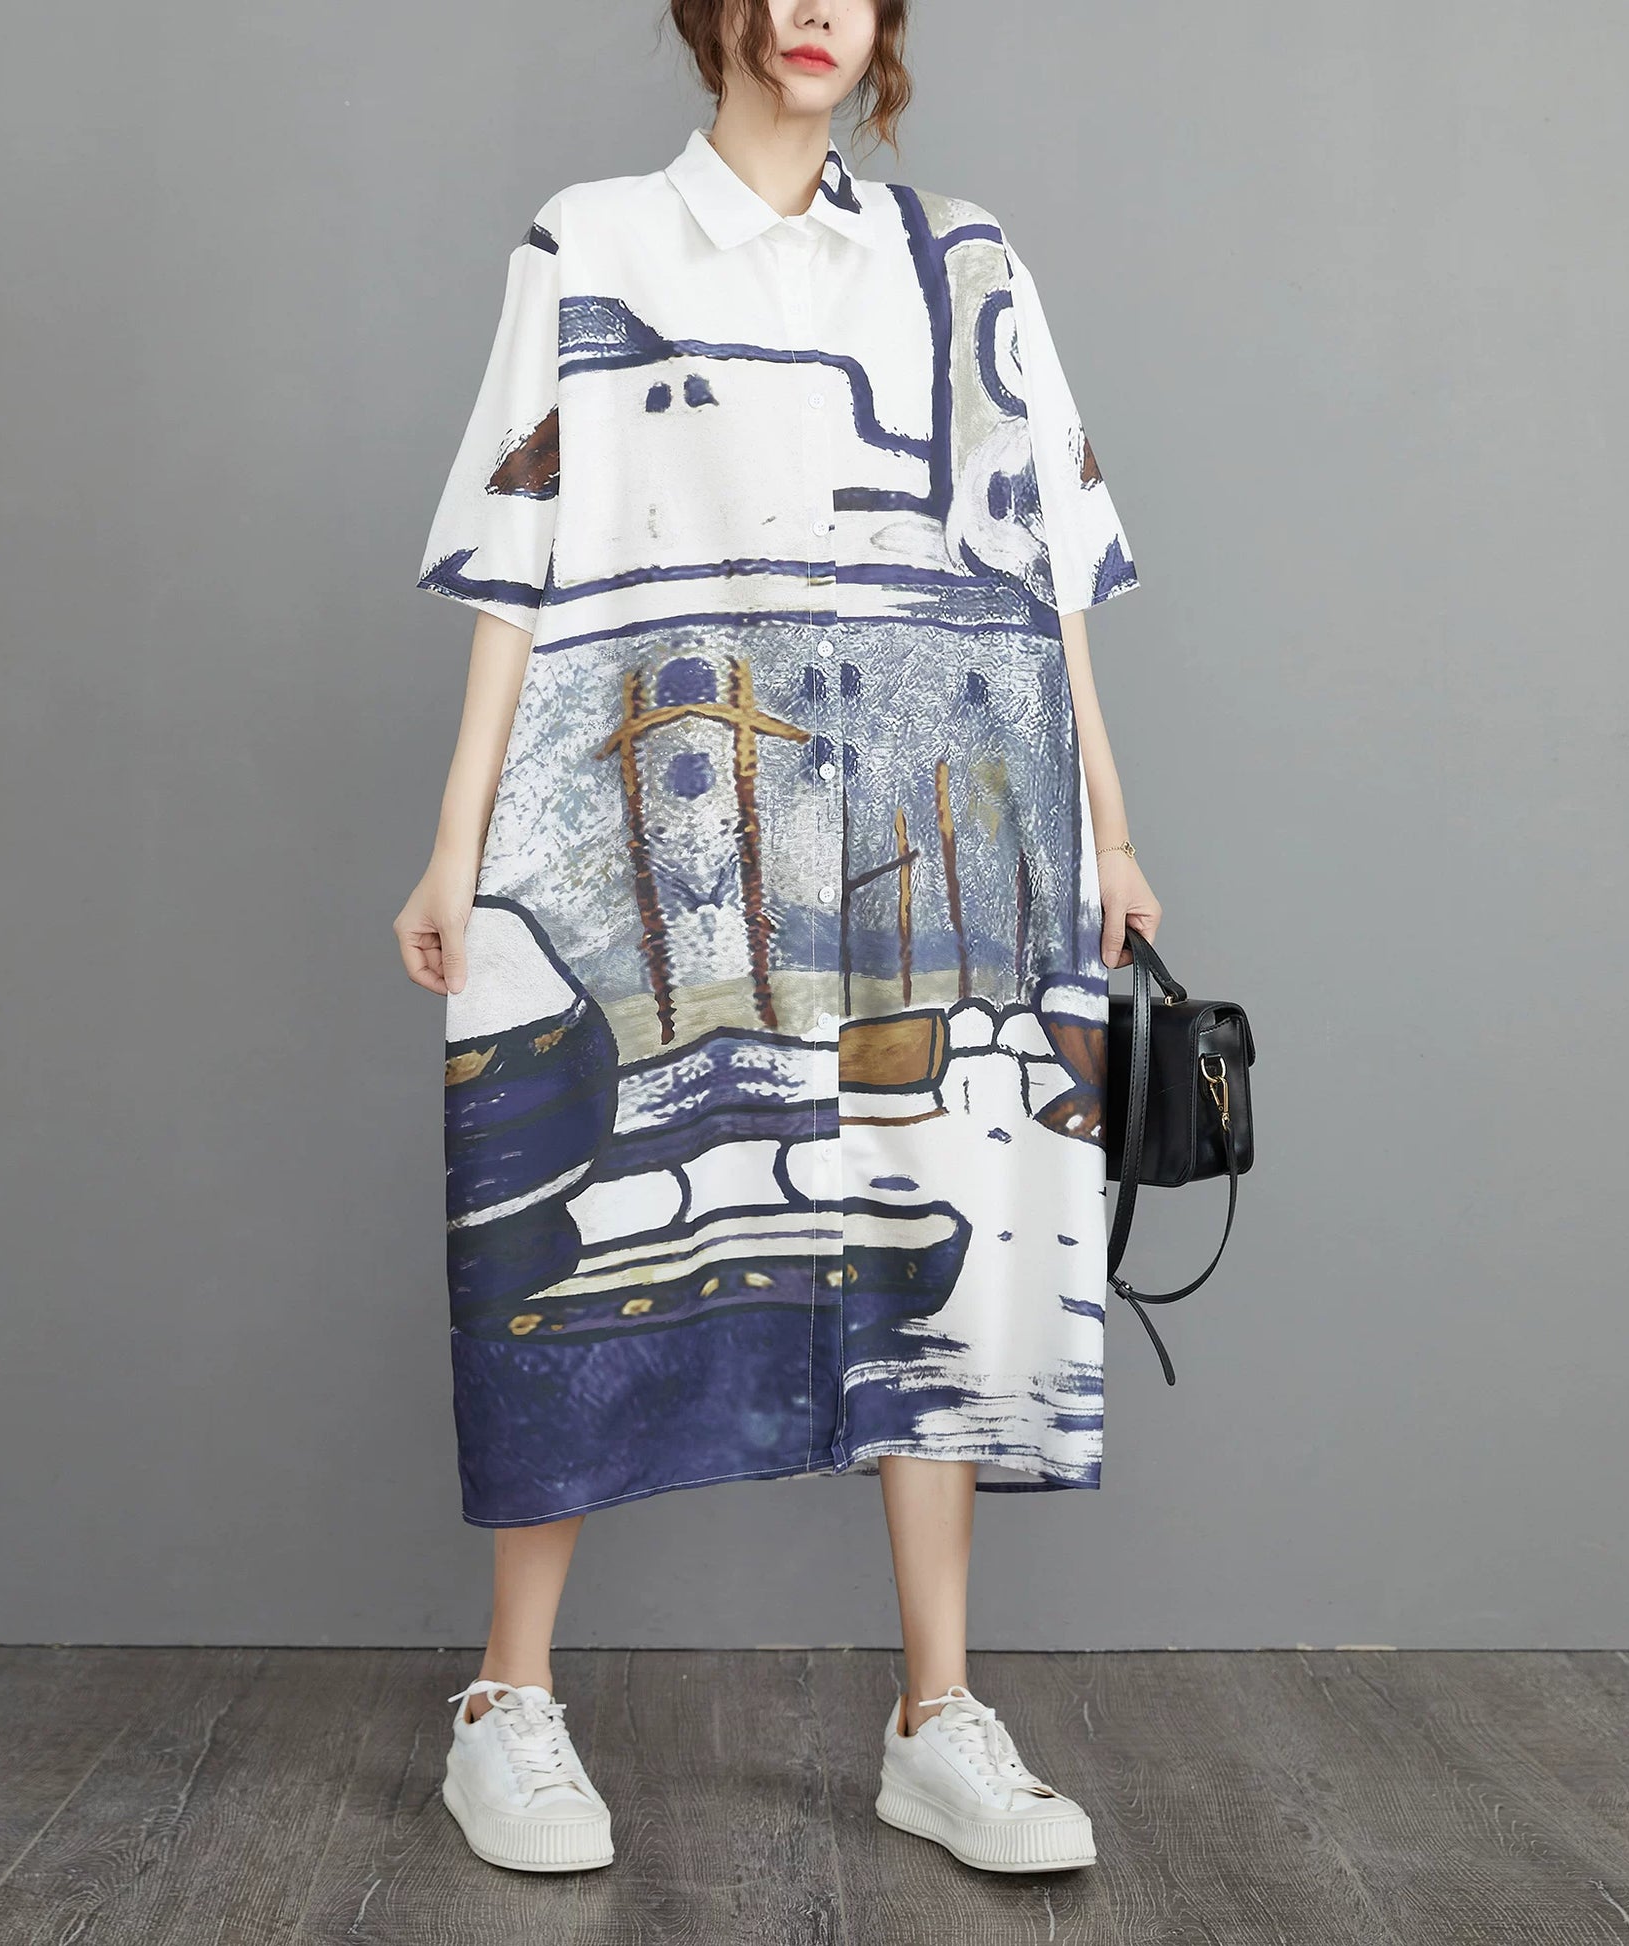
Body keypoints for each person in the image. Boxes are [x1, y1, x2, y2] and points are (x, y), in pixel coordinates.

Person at [392, 0, 1161, 1878]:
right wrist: (454, 840)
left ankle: (935, 1715)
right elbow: (516, 556)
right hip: (649, 800)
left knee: (934, 1217)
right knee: (577, 1249)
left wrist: (1113, 828)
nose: (815, 9)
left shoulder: (961, 258)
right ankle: (506, 1699)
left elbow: (1048, 562)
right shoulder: (596, 239)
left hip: (939, 815)